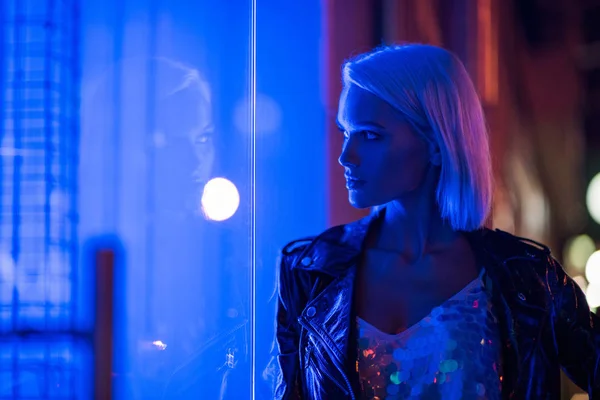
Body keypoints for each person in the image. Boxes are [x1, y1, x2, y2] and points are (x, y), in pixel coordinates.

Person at [269, 44, 600, 399]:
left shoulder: (530, 279)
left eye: (369, 135)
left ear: (436, 143)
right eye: (345, 132)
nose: (346, 155)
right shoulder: (309, 272)